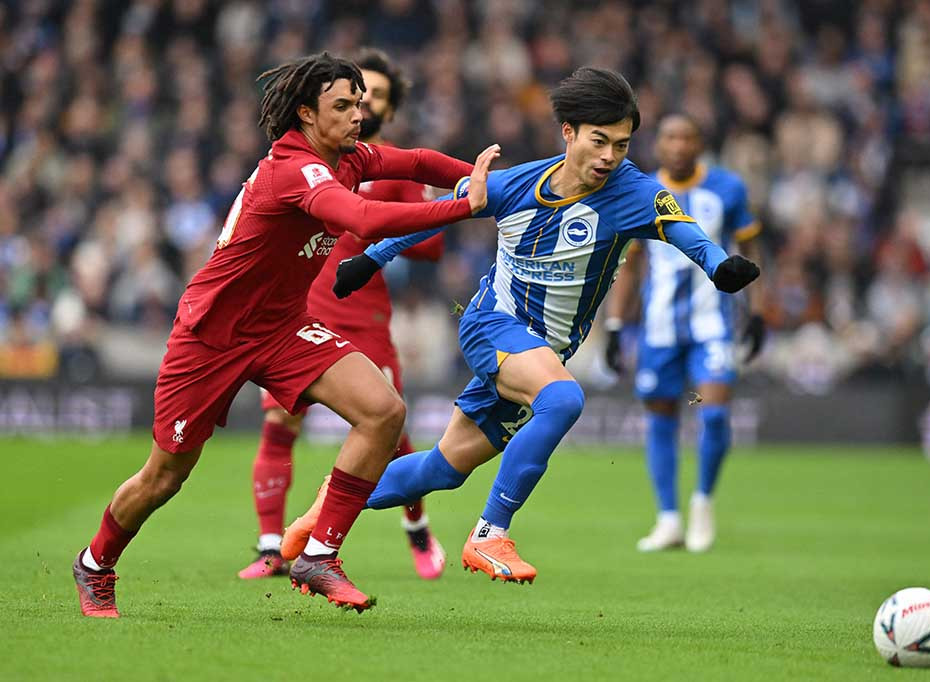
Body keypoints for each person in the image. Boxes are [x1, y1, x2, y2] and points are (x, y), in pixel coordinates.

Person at [283, 68, 760, 584]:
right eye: (599, 141)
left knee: (442, 469)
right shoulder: (514, 184)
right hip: (493, 324)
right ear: (569, 133)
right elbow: (443, 212)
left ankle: (324, 507)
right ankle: (490, 535)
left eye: (621, 145)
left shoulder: (636, 194)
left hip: (542, 350)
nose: (609, 157)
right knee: (564, 400)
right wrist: (371, 260)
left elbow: (685, 231)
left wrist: (719, 266)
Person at [71, 51, 501, 618]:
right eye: (342, 106)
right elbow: (365, 222)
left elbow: (416, 161)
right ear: (305, 113)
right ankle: (95, 564)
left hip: (282, 328)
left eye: (360, 104)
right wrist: (462, 206)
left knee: (382, 411)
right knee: (165, 475)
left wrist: (498, 178)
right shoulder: (295, 169)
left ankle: (319, 555)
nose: (357, 115)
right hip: (212, 337)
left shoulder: (346, 155)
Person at [239, 48, 447, 583]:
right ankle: (271, 547)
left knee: (388, 420)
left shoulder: (382, 165)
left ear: (387, 109)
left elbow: (430, 247)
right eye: (358, 94)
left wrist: (394, 227)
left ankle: (416, 526)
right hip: (304, 307)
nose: (365, 104)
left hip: (364, 312)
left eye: (375, 96)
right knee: (279, 420)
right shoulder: (306, 163)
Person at [603, 113, 765, 554]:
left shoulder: (727, 189)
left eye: (686, 137)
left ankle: (702, 503)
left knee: (713, 413)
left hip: (713, 323)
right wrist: (616, 326)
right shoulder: (639, 190)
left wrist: (758, 311)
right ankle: (668, 518)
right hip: (658, 327)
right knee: (660, 418)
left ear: (699, 144)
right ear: (658, 145)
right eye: (670, 137)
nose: (677, 145)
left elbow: (749, 251)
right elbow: (631, 264)